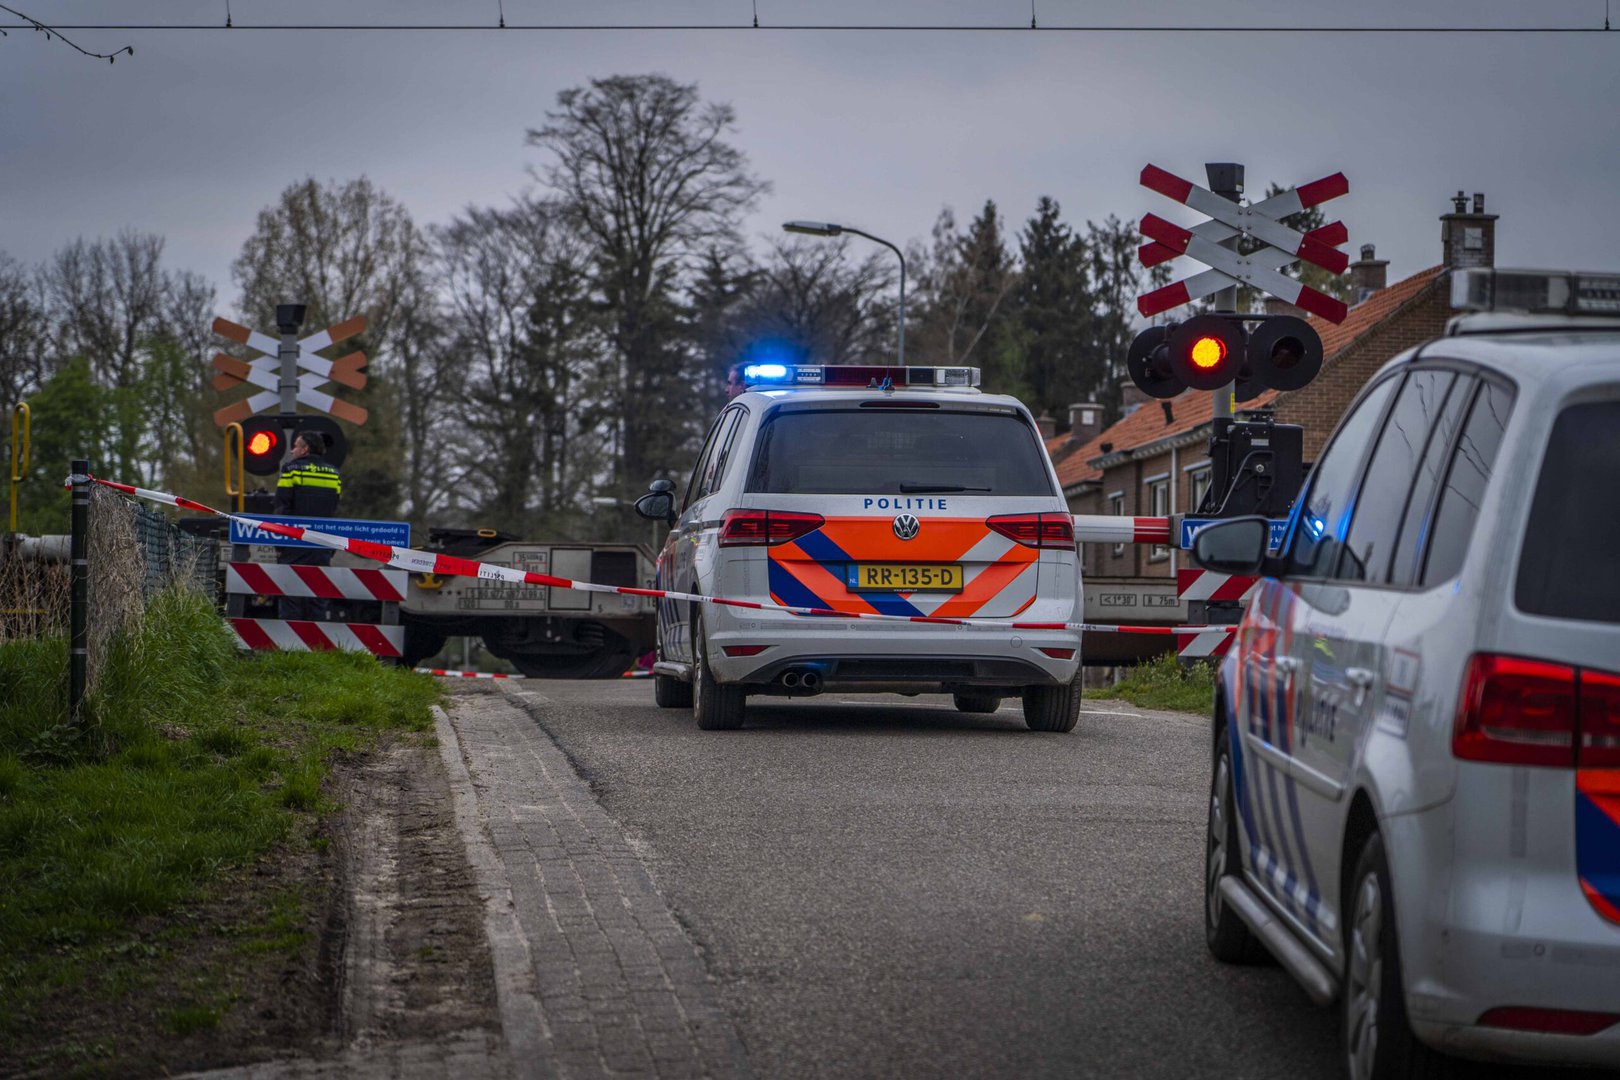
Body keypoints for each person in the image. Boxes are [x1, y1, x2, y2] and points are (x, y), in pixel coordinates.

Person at [274, 429, 343, 621]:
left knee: (291, 597)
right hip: (322, 544)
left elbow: (282, 508)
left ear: (305, 449)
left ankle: (290, 647)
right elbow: (333, 507)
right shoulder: (334, 474)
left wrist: (280, 544)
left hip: (295, 542)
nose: (292, 450)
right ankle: (317, 646)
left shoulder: (292, 469)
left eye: (295, 446)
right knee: (317, 599)